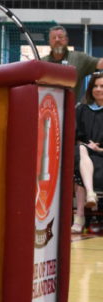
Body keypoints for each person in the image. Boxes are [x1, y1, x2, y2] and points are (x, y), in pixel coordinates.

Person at [72, 72, 103, 234]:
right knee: (80, 151)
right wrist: (85, 144)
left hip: (101, 157)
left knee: (80, 167)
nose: (98, 89)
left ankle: (80, 217)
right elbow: (76, 135)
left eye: (102, 86)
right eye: (95, 86)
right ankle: (90, 195)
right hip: (84, 155)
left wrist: (99, 149)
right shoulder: (82, 109)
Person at [45, 26, 103, 100]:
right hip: (46, 107)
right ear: (49, 42)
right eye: (54, 38)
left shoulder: (79, 58)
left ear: (66, 40)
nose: (57, 40)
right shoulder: (42, 62)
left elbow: (100, 63)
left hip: (71, 109)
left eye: (60, 37)